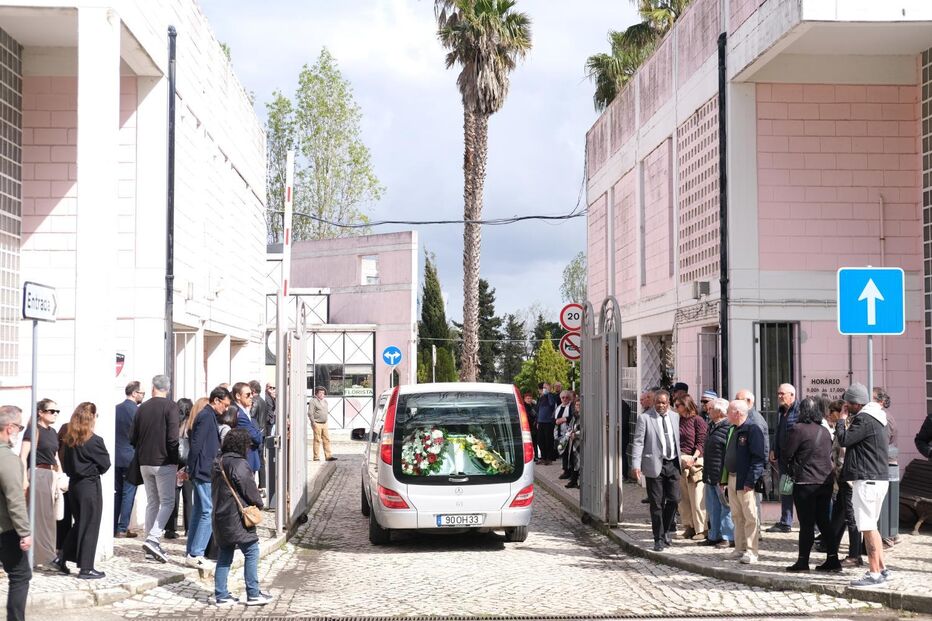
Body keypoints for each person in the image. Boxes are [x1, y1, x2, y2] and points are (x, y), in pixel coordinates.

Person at [836, 382, 891, 587]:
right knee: (872, 527)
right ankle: (883, 569)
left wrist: (841, 420)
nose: (845, 407)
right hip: (877, 478)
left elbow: (843, 440)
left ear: (855, 403)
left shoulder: (864, 419)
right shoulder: (877, 418)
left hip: (867, 480)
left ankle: (874, 573)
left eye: (848, 404)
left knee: (867, 528)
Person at [212, 428, 272, 607]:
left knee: (225, 554)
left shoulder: (218, 461)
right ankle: (253, 593)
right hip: (237, 516)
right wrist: (259, 504)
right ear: (242, 445)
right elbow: (248, 488)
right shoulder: (238, 464)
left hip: (220, 516)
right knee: (252, 551)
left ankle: (221, 595)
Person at [783, 398, 839, 572]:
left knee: (806, 524)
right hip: (825, 482)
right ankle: (833, 559)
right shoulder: (824, 430)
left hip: (805, 482)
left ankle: (803, 561)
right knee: (824, 521)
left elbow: (787, 453)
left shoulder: (797, 429)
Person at [131, 373, 180, 563]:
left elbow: (132, 437)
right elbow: (173, 439)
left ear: (153, 388)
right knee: (168, 502)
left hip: (144, 461)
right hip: (164, 461)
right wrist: (175, 461)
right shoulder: (171, 407)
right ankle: (153, 538)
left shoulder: (142, 408)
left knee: (153, 502)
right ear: (167, 389)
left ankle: (150, 546)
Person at [59, 402, 111, 579]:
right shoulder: (94, 440)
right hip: (89, 486)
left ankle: (63, 556)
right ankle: (86, 568)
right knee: (90, 525)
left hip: (75, 485)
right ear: (91, 418)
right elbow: (105, 465)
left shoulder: (69, 440)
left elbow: (65, 465)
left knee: (80, 523)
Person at [630, 389, 681, 552]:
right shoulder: (645, 418)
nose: (660, 405)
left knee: (674, 499)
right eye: (658, 402)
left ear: (668, 403)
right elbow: (638, 442)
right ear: (654, 402)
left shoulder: (675, 416)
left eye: (664, 403)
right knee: (657, 504)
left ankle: (665, 530)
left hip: (672, 463)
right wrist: (636, 464)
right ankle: (658, 538)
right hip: (654, 465)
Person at [186, 388, 229, 569]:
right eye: (225, 405)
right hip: (202, 470)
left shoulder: (208, 415)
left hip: (203, 468)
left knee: (198, 511)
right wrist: (190, 467)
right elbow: (196, 444)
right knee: (207, 510)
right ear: (217, 400)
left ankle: (191, 551)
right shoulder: (205, 416)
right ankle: (196, 552)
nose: (226, 409)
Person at [721, 399, 766, 564]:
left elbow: (758, 458)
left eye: (729, 411)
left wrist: (750, 481)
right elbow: (727, 454)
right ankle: (739, 549)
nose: (726, 414)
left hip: (745, 482)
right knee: (736, 516)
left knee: (750, 517)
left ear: (737, 413)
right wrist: (723, 478)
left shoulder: (752, 430)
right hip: (732, 478)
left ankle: (752, 551)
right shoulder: (732, 429)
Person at [19, 399, 60, 568]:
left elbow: (55, 456)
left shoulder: (53, 431)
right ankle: (42, 557)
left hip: (51, 475)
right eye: (51, 411)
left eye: (57, 411)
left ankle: (45, 555)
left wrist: (60, 475)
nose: (55, 414)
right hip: (38, 474)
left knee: (50, 518)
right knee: (39, 517)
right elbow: (23, 456)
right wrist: (24, 479)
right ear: (41, 413)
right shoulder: (33, 430)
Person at [0, 405, 32, 621]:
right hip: (5, 529)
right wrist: (25, 532)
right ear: (9, 428)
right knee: (21, 575)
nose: (19, 433)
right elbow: (15, 499)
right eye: (19, 427)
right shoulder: (8, 459)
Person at [827, 399, 862, 568]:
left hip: (846, 479)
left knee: (851, 517)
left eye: (832, 412)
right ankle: (831, 550)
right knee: (839, 514)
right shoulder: (844, 425)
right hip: (842, 478)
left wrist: (837, 471)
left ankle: (855, 555)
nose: (829, 415)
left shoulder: (846, 425)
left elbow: (842, 453)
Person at [700, 398, 733, 548]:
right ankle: (714, 535)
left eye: (711, 408)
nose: (708, 410)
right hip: (709, 473)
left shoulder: (727, 427)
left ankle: (728, 536)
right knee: (712, 506)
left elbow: (728, 453)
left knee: (725, 506)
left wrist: (724, 477)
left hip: (720, 474)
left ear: (720, 411)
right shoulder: (712, 425)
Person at [674, 394, 707, 540]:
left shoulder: (698, 421)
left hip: (694, 462)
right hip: (679, 461)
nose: (676, 408)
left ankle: (701, 529)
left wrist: (693, 458)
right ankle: (688, 526)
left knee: (697, 497)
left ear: (686, 405)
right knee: (683, 498)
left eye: (678, 405)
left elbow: (701, 441)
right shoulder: (678, 420)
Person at [768, 383, 798, 533]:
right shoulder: (782, 411)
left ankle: (813, 525)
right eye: (778, 393)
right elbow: (779, 431)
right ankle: (785, 522)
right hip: (784, 459)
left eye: (782, 394)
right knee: (785, 490)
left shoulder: (798, 411)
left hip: (797, 460)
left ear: (792, 395)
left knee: (800, 492)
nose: (779, 396)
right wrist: (774, 448)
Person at [114, 382, 143, 538]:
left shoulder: (116, 409)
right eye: (142, 393)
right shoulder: (137, 412)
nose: (143, 396)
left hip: (116, 456)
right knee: (128, 493)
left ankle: (113, 526)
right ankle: (122, 527)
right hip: (131, 457)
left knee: (118, 493)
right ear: (134, 393)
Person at [872, 387, 899, 549]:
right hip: (886, 463)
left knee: (885, 502)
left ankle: (887, 537)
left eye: (873, 398)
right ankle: (889, 535)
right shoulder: (883, 417)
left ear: (881, 401)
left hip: (887, 464)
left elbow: (883, 443)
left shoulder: (885, 418)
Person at [165, 397, 194, 540]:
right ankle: (189, 528)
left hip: (173, 462)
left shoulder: (172, 423)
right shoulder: (192, 424)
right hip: (187, 463)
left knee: (173, 497)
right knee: (188, 498)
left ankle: (170, 528)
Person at [233, 383, 265, 475]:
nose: (251, 397)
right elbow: (256, 438)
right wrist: (259, 432)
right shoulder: (240, 415)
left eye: (251, 394)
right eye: (247, 394)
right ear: (238, 396)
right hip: (246, 459)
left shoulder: (244, 411)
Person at [307, 386, 335, 462]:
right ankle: (316, 457)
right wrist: (313, 422)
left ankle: (328, 456)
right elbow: (310, 413)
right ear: (316, 394)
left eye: (323, 393)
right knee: (317, 440)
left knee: (326, 439)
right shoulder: (313, 401)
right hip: (317, 423)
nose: (322, 394)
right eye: (320, 393)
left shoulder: (325, 401)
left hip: (324, 423)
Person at [554, 391, 575, 479]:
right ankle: (565, 470)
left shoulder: (571, 406)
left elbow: (573, 416)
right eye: (563, 397)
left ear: (569, 398)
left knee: (569, 453)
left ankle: (570, 471)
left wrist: (563, 419)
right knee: (563, 452)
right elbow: (554, 418)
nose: (565, 399)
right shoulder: (559, 407)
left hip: (568, 432)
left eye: (567, 397)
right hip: (560, 433)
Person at [535, 383, 557, 465]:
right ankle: (543, 457)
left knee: (548, 441)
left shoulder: (551, 396)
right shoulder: (541, 397)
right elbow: (538, 410)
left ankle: (549, 458)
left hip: (548, 422)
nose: (543, 389)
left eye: (545, 387)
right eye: (543, 388)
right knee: (540, 440)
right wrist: (537, 421)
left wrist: (548, 394)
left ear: (549, 388)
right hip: (541, 422)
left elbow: (552, 404)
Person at [522, 393, 538, 462]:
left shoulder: (534, 406)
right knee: (528, 443)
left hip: (534, 427)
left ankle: (536, 456)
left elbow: (537, 414)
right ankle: (529, 457)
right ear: (524, 399)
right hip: (528, 427)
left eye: (530, 398)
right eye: (527, 398)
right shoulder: (523, 406)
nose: (529, 400)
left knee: (535, 443)